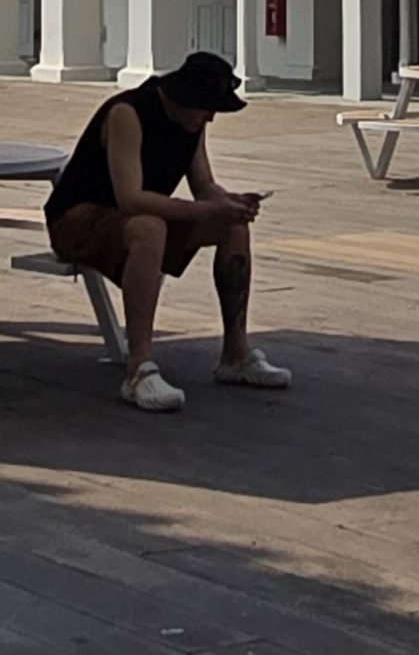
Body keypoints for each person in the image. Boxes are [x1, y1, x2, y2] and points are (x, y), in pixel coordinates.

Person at [44, 50, 291, 412]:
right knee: (150, 228)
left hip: (134, 218)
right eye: (206, 108)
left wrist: (228, 203)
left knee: (232, 227)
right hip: (77, 219)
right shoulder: (128, 113)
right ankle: (139, 367)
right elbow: (130, 198)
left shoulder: (193, 122)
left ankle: (236, 353)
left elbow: (203, 185)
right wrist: (206, 209)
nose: (210, 118)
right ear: (184, 98)